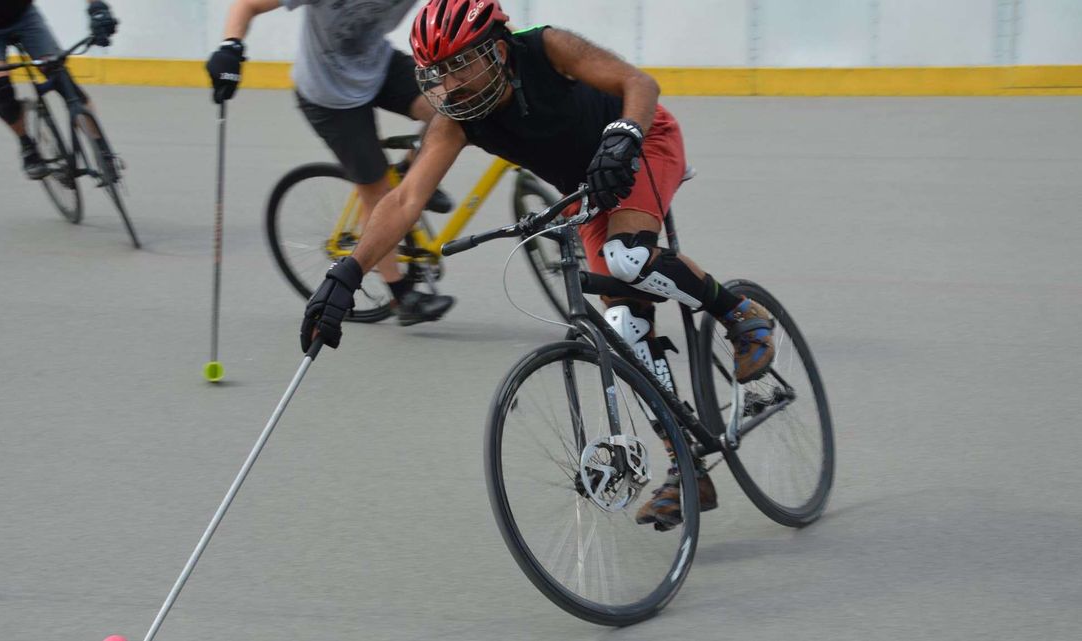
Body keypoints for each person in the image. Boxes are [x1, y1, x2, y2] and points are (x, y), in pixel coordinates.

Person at [299, 0, 779, 529]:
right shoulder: (457, 119)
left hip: (643, 144)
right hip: (584, 190)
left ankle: (740, 314)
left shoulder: (545, 48)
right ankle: (687, 464)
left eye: (461, 64)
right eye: (439, 73)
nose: (451, 84)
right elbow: (404, 199)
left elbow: (639, 84)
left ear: (498, 49)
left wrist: (625, 136)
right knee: (624, 325)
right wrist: (347, 272)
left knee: (627, 258)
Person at [206, 0, 455, 326]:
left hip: (377, 66)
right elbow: (248, 4)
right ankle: (401, 292)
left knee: (455, 104)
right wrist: (230, 47)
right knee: (377, 189)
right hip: (328, 96)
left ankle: (412, 174)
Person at [0, 0, 119, 179]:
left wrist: (97, 8)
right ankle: (27, 145)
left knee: (64, 83)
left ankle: (103, 150)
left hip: (24, 18)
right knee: (3, 95)